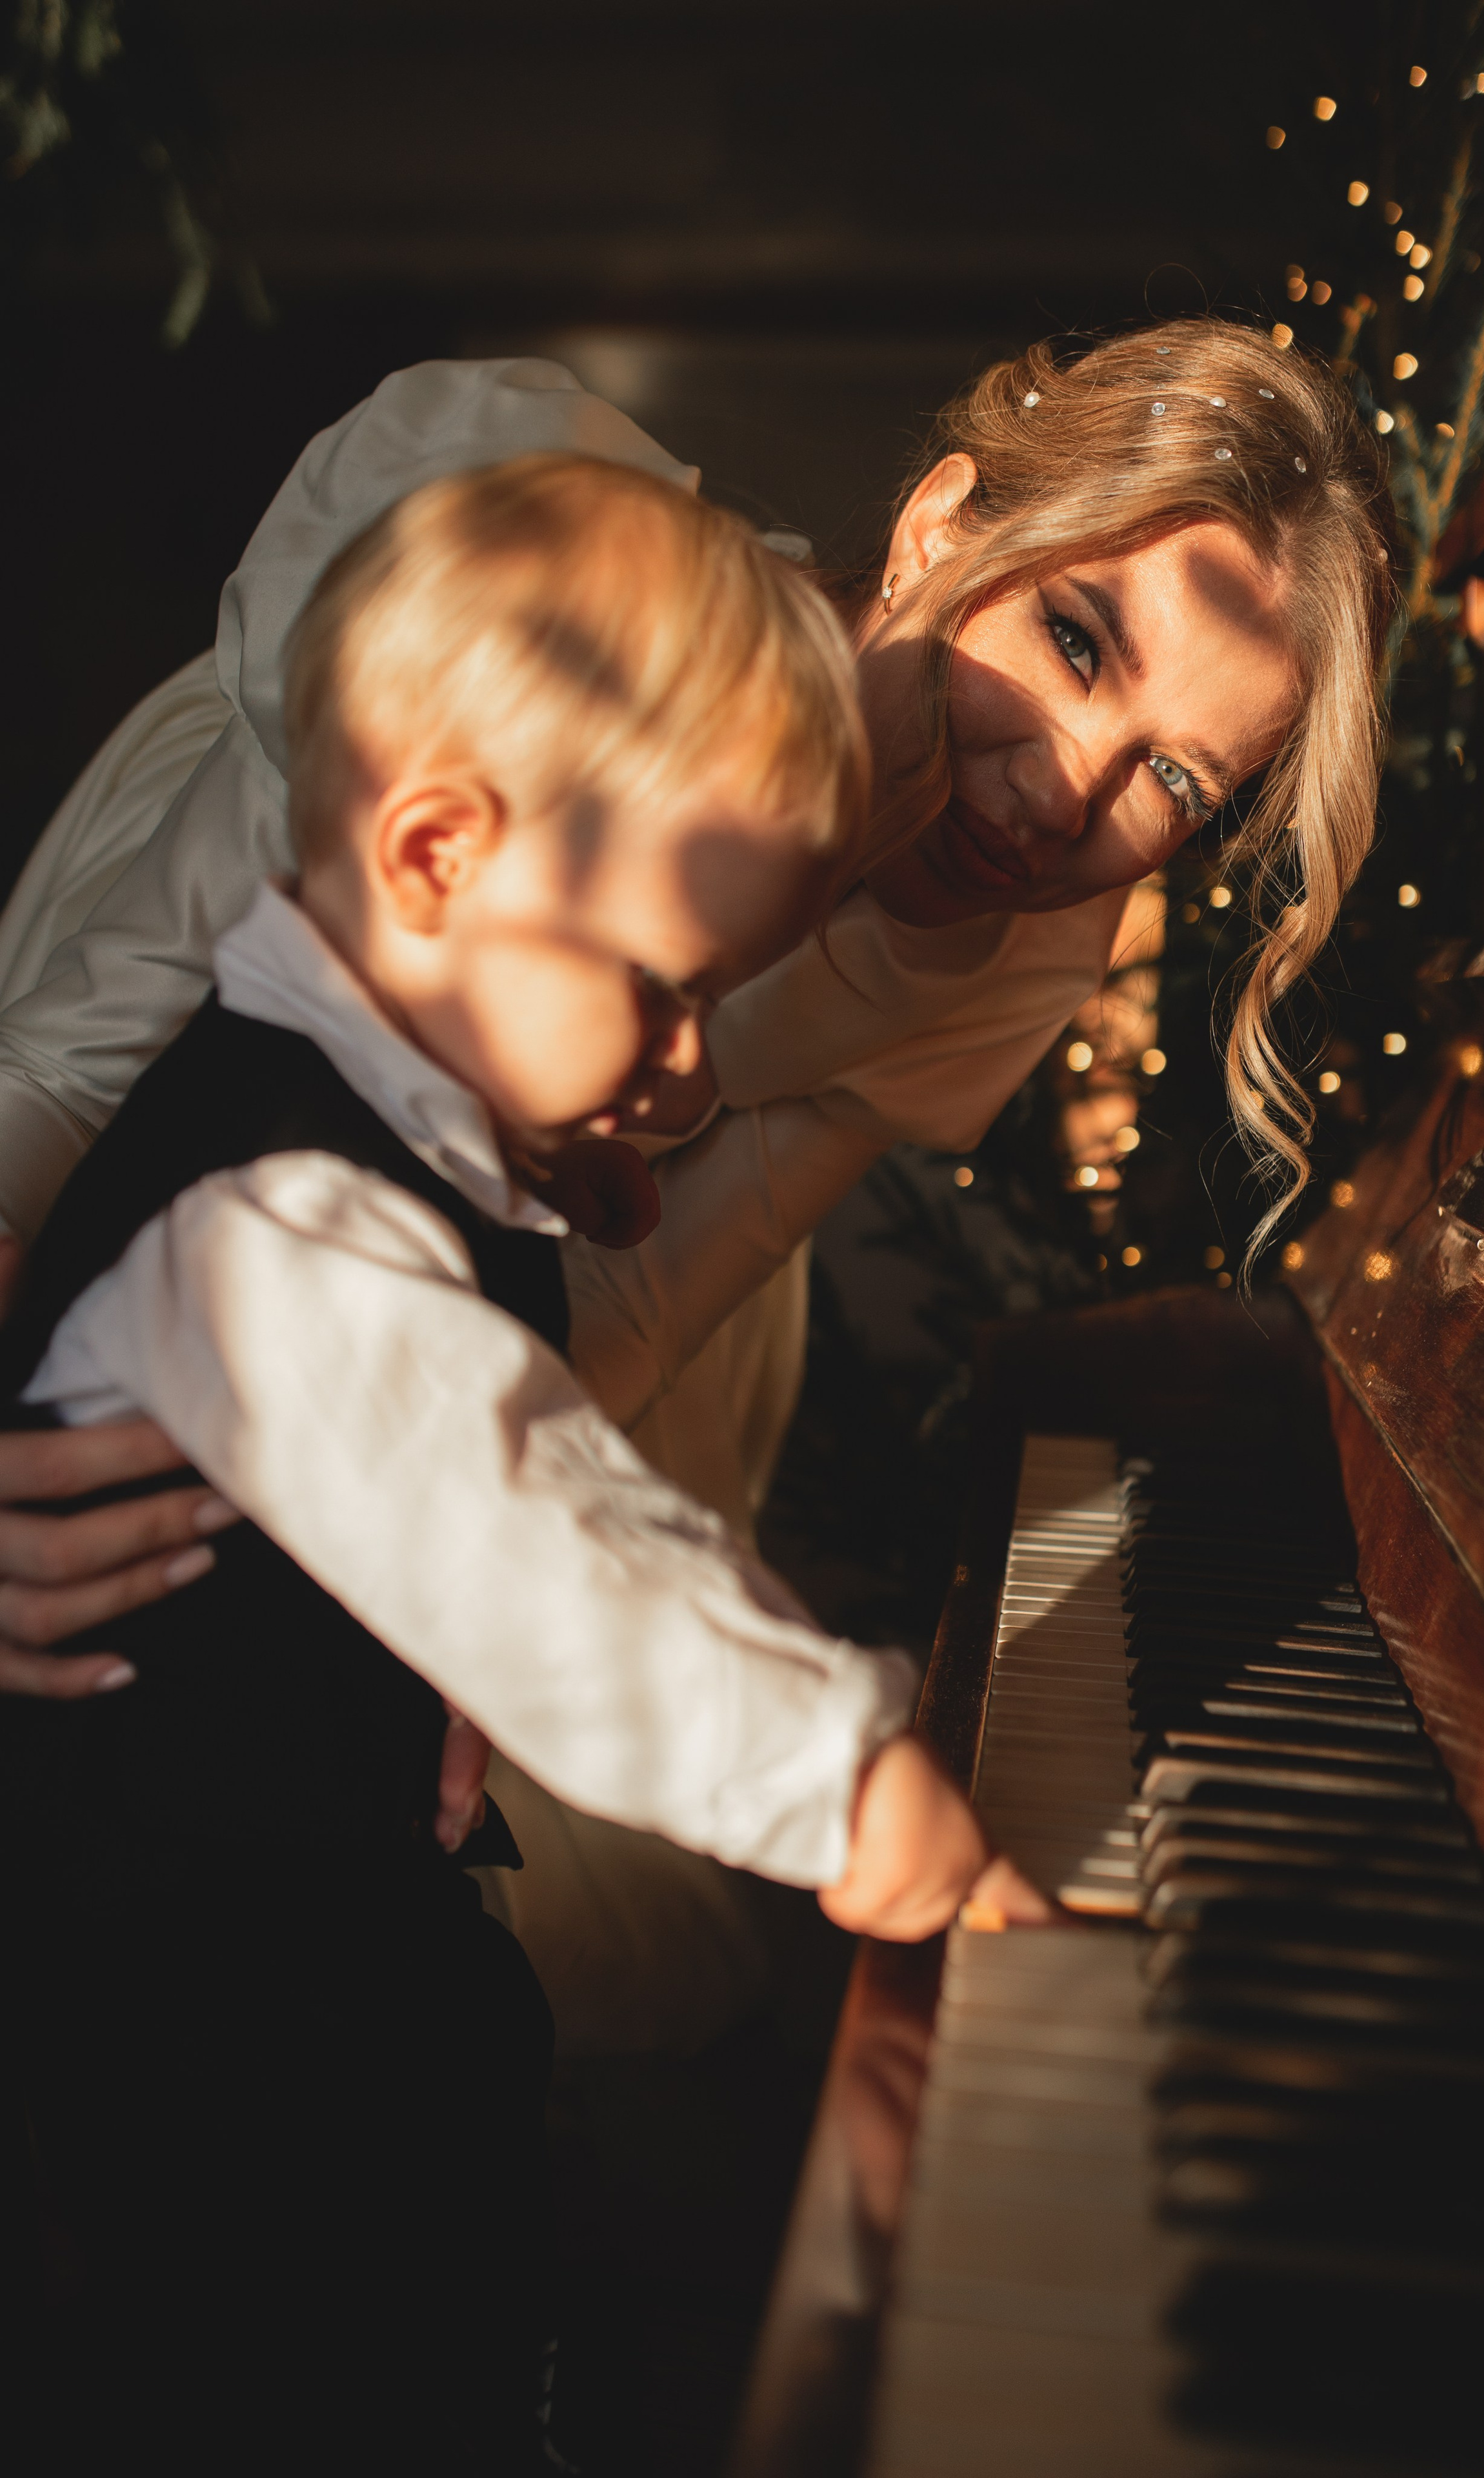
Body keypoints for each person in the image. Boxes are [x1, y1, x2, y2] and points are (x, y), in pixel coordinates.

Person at [0, 325, 1397, 2046]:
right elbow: (80, 1097)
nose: (1061, 800)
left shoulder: (1027, 946)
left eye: (1177, 779)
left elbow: (630, 1301)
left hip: (458, 1291)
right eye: (1075, 640)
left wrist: (432, 1578)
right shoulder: (531, 600)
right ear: (944, 526)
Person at [2, 452, 1031, 2472]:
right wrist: (843, 1781)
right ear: (438, 854)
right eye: (662, 988)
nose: (688, 1063)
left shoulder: (382, 1119)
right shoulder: (281, 1214)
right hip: (216, 2055)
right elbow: (541, 1536)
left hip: (293, 1966)